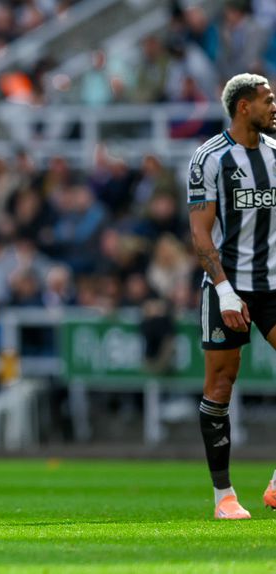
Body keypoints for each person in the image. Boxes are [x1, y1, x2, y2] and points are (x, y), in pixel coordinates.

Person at [186, 72, 276, 520]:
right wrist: (223, 290)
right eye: (268, 100)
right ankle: (224, 494)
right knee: (221, 384)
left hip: (275, 284)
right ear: (244, 106)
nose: (274, 106)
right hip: (229, 285)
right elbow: (200, 233)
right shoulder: (210, 158)